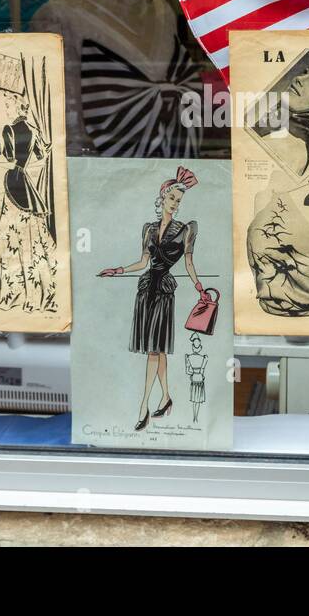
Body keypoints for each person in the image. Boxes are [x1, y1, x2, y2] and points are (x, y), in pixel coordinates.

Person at [98, 168, 203, 432]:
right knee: (157, 350)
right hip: (146, 289)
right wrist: (118, 270)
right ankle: (166, 397)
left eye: (179, 201)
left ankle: (143, 405)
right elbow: (143, 262)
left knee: (154, 351)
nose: (176, 205)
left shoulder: (186, 229)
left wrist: (199, 286)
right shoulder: (148, 229)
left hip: (164, 290)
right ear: (162, 198)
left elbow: (189, 262)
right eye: (172, 200)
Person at [0, 93, 55, 312]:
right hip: (26, 184)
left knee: (9, 240)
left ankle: (17, 295)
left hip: (13, 182)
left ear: (17, 107)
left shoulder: (8, 130)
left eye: (8, 105)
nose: (7, 108)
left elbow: (8, 160)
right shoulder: (35, 131)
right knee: (31, 240)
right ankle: (36, 296)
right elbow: (41, 157)